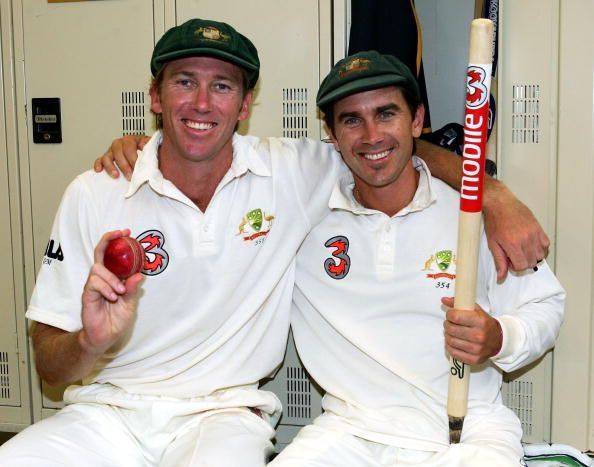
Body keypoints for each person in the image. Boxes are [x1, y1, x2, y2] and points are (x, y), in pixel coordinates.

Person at [3, 17, 545, 467]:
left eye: (222, 86)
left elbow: (389, 151)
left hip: (223, 416)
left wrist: (491, 194)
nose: (201, 102)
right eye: (184, 81)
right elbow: (50, 367)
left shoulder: (292, 171)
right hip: (106, 414)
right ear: (155, 97)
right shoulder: (96, 191)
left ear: (244, 105)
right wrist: (91, 342)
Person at [268, 51, 565, 466]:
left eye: (386, 113)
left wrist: (500, 336)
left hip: (467, 433)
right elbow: (216, 153)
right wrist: (145, 147)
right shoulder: (301, 212)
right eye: (352, 119)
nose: (371, 135)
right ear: (332, 135)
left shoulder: (474, 215)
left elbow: (546, 303)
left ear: (417, 119)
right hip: (350, 429)